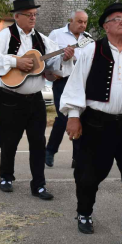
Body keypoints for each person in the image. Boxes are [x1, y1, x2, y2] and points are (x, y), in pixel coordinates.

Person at [60, 2, 122, 244]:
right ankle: (84, 213)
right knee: (88, 175)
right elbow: (76, 84)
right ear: (106, 26)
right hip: (97, 123)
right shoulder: (91, 51)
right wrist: (73, 115)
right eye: (117, 18)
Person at [0, 0, 75, 199]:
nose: (33, 18)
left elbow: (52, 64)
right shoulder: (5, 36)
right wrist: (15, 61)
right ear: (17, 17)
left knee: (38, 142)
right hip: (10, 99)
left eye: (35, 14)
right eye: (29, 14)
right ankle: (6, 176)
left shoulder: (42, 40)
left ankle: (39, 185)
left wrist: (64, 57)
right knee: (9, 141)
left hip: (35, 99)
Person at [45, 10, 91, 168]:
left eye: (85, 22)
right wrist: (63, 58)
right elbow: (47, 59)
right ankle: (50, 150)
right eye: (79, 21)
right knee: (64, 117)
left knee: (79, 118)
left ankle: (77, 158)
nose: (83, 25)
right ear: (70, 20)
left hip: (82, 84)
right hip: (63, 81)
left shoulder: (88, 39)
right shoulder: (56, 35)